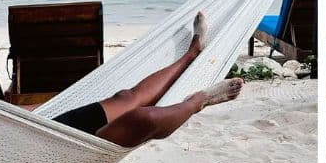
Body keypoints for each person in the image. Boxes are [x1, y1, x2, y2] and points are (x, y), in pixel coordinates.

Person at [53, 12, 244, 148]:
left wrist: (35, 112)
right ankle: (198, 101)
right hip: (52, 150)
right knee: (144, 118)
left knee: (125, 97)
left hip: (41, 125)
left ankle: (191, 54)